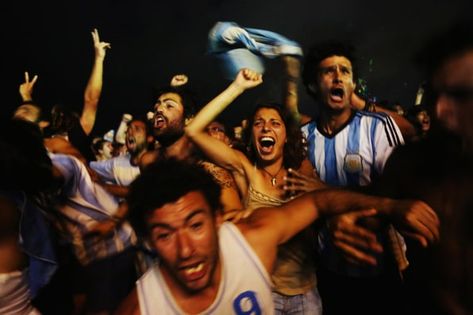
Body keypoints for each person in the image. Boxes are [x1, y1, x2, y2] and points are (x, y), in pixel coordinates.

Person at [114, 158, 439, 315]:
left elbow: (317, 201)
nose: (186, 250)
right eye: (165, 234)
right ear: (148, 241)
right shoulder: (141, 309)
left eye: (195, 225)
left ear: (217, 219)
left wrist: (388, 206)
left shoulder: (251, 241)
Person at [185, 68, 325, 313]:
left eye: (275, 124)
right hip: (262, 291)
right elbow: (193, 130)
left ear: (285, 135)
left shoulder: (302, 171)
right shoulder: (245, 170)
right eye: (258, 124)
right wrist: (237, 87)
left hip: (305, 293)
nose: (266, 129)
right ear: (252, 136)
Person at [293, 41, 408, 314]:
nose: (338, 76)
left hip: (380, 270)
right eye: (329, 71)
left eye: (345, 71)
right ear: (312, 85)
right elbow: (299, 200)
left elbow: (396, 195)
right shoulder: (302, 138)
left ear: (352, 84)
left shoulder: (378, 127)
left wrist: (324, 193)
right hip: (328, 274)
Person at [370, 20, 473, 314]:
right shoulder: (410, 162)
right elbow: (369, 215)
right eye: (435, 95)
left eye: (461, 95)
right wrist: (353, 217)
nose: (439, 110)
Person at [140, 83, 243, 213]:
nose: (159, 109)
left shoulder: (209, 170)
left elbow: (233, 216)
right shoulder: (148, 162)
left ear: (189, 119)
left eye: (169, 105)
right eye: (156, 107)